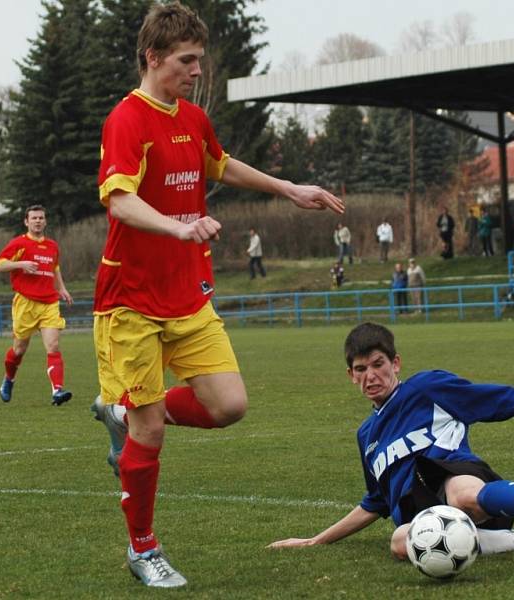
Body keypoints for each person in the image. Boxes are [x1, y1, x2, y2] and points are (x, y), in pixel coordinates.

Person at [90, 2, 345, 588]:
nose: (197, 70)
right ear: (154, 58)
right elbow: (120, 199)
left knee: (228, 405)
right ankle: (143, 549)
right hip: (130, 299)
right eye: (187, 60)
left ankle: (124, 414)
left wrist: (288, 188)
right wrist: (178, 226)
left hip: (187, 294)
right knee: (151, 429)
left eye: (198, 59)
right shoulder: (126, 120)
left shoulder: (190, 117)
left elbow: (220, 164)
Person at [268, 323, 514, 559]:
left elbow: (513, 401)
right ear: (351, 376)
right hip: (422, 514)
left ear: (396, 363)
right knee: (401, 543)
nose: (371, 375)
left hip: (455, 477)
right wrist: (314, 541)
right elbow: (374, 504)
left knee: (460, 492)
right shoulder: (366, 437)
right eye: (360, 369)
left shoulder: (426, 387)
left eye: (378, 364)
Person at [0, 205, 74, 406]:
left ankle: (57, 390)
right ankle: (9, 379)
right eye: (34, 218)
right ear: (26, 222)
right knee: (19, 349)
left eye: (41, 218)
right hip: (25, 303)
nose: (38, 221)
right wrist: (21, 264)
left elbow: (55, 268)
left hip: (49, 303)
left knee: (53, 346)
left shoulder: (52, 246)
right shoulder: (19, 243)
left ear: (45, 221)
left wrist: (62, 288)